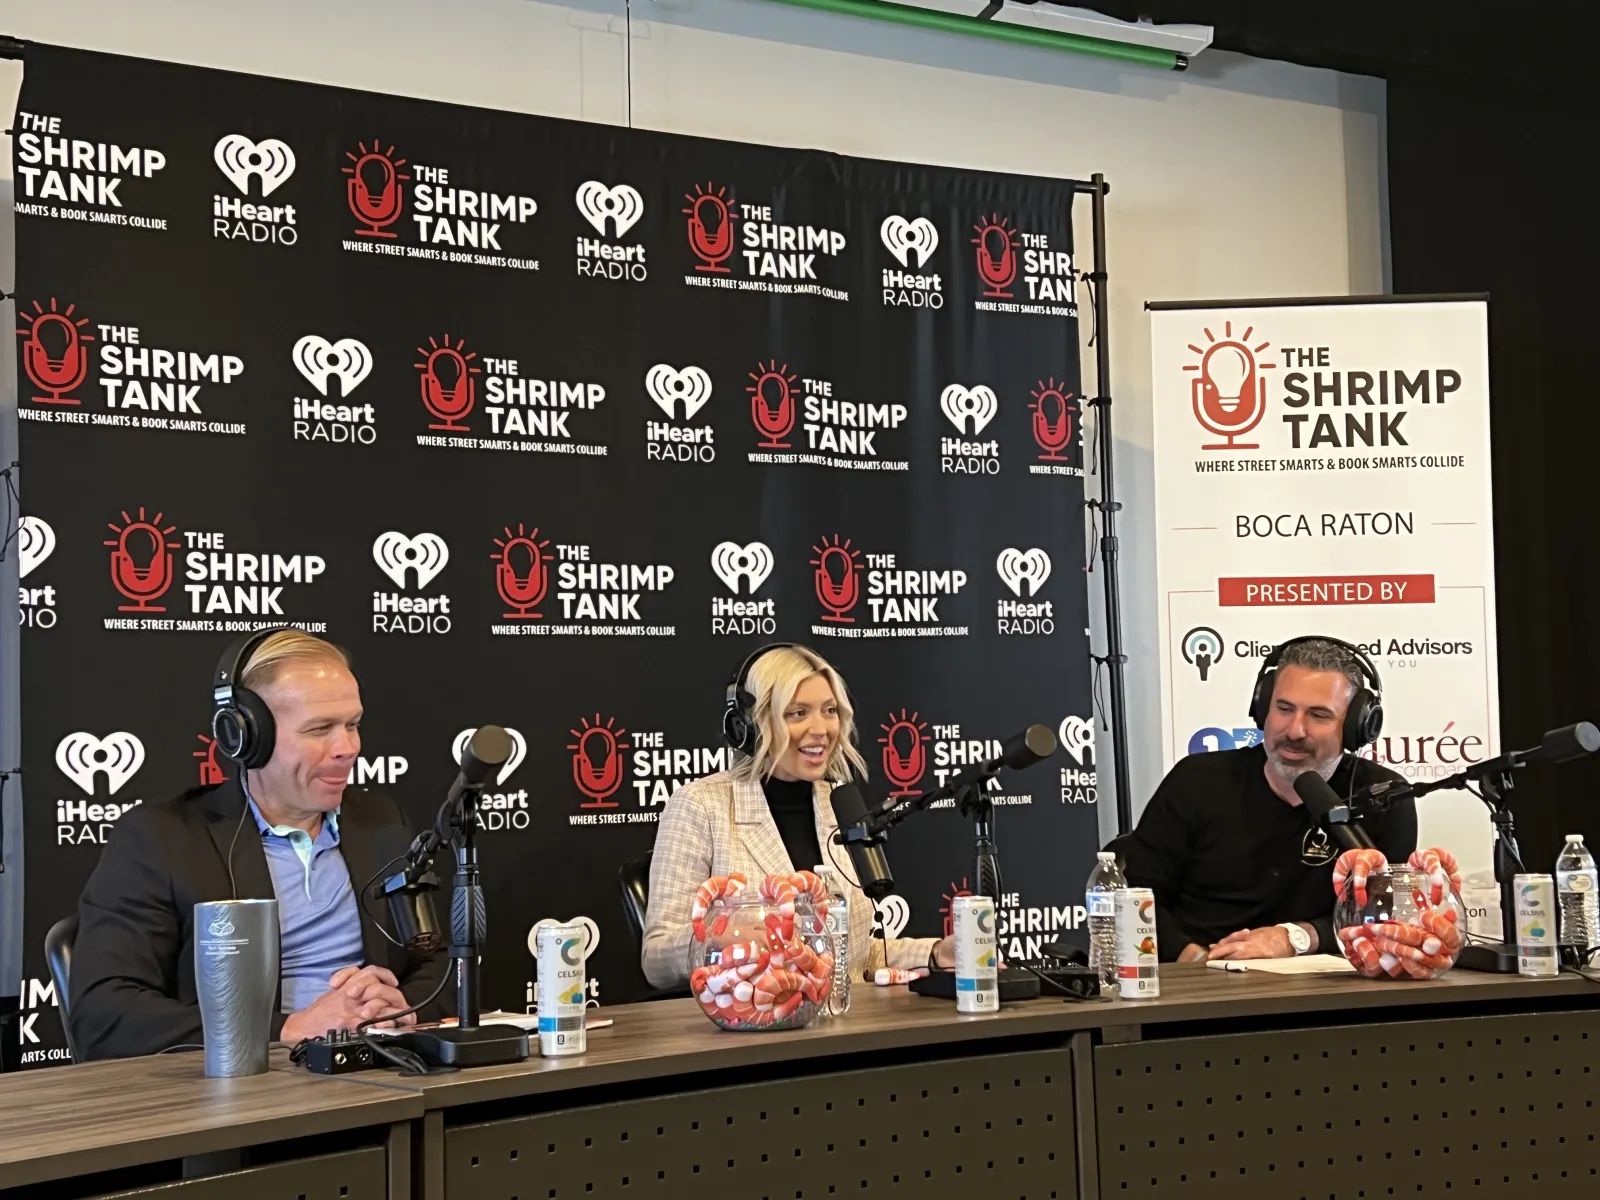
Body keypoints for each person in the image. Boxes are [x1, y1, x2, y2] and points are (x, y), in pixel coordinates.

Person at [70, 628, 452, 1059]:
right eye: (320, 729)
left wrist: (403, 1007)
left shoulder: (381, 822)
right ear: (246, 737)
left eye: (353, 724)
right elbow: (104, 1014)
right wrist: (288, 1029)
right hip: (244, 1091)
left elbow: (435, 961)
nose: (347, 748)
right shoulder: (163, 839)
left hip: (377, 1072)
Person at [642, 643, 953, 990]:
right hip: (752, 1028)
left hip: (847, 1027)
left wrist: (936, 953)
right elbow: (656, 958)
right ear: (751, 725)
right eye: (798, 713)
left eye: (830, 710)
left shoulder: (839, 803)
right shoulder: (701, 806)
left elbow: (853, 956)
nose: (821, 729)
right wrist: (726, 933)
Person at [1122, 636, 1417, 962]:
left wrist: (1297, 937)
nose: (1294, 730)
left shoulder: (1383, 797)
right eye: (1284, 708)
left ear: (1356, 727)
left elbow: (1387, 914)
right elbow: (1136, 897)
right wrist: (1196, 960)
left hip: (1327, 994)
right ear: (1263, 708)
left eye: (1318, 715)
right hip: (1200, 983)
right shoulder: (1196, 782)